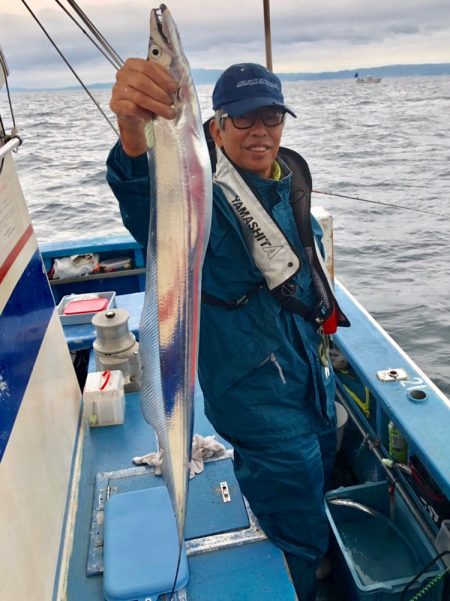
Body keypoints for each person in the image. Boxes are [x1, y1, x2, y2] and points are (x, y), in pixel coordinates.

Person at [107, 60, 349, 601]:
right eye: (242, 119)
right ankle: (302, 580)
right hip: (255, 393)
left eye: (270, 115)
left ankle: (314, 558)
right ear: (214, 128)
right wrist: (132, 136)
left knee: (317, 477)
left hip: (309, 376)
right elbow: (148, 197)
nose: (260, 130)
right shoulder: (201, 194)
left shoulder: (287, 182)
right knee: (296, 516)